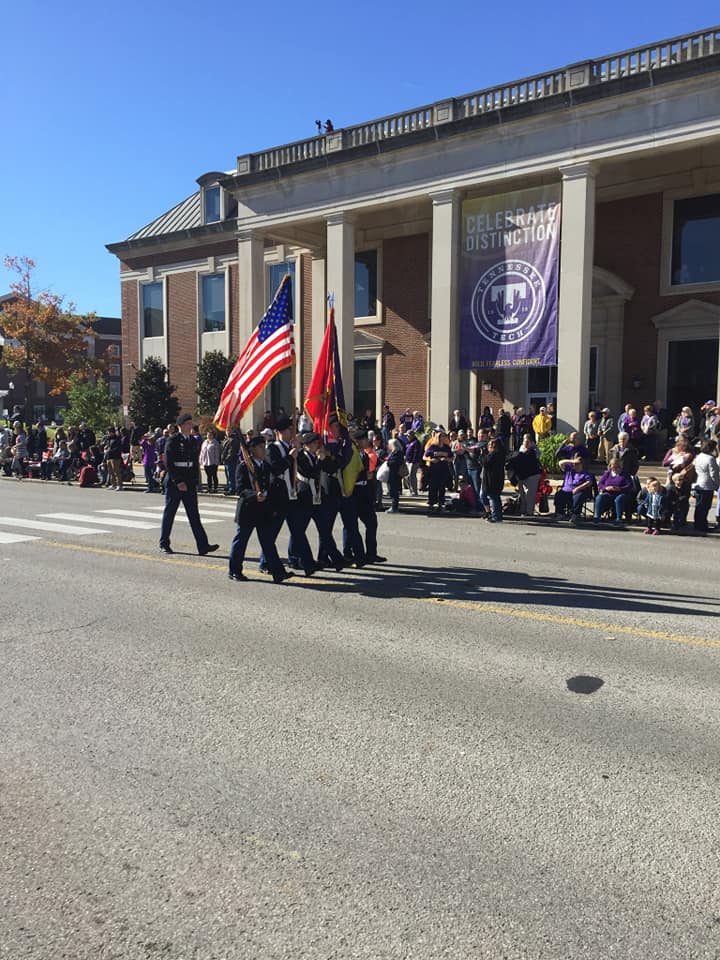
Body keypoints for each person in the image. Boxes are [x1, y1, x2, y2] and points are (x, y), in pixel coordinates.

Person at [228, 436, 291, 583]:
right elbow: (240, 489)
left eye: (264, 446)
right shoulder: (244, 467)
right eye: (260, 447)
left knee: (268, 542)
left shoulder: (265, 466)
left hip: (263, 511)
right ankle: (234, 570)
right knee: (241, 542)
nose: (264, 450)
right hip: (248, 511)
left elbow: (272, 483)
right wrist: (254, 495)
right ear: (252, 449)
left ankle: (278, 572)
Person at [159, 413, 219, 557]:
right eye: (187, 424)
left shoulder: (192, 441)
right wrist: (178, 481)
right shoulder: (173, 440)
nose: (190, 426)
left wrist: (194, 481)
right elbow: (169, 463)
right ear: (180, 426)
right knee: (170, 513)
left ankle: (203, 545)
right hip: (175, 482)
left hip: (189, 482)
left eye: (191, 423)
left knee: (194, 515)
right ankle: (164, 543)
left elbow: (194, 463)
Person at [266, 416, 316, 578]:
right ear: (281, 432)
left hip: (293, 495)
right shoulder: (273, 448)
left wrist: (298, 450)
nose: (291, 433)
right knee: (272, 533)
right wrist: (289, 457)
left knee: (298, 531)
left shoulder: (293, 447)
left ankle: (308, 564)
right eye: (289, 430)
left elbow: (304, 467)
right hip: (279, 495)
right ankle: (264, 562)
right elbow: (274, 469)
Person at [506, 434, 541, 518]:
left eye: (528, 442)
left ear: (531, 442)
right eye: (524, 441)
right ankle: (522, 511)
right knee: (522, 495)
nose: (526, 443)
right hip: (522, 476)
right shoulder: (520, 449)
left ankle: (529, 512)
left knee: (530, 495)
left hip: (532, 475)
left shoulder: (534, 451)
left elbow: (527, 459)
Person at [554, 454, 595, 525]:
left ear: (581, 464)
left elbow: (589, 482)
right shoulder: (569, 470)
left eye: (577, 464)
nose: (575, 465)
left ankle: (575, 514)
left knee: (578, 496)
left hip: (578, 490)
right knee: (559, 494)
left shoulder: (585, 473)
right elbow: (560, 463)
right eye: (574, 464)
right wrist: (572, 461)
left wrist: (578, 488)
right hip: (566, 490)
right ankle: (560, 513)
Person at [593, 458, 633, 526]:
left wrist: (619, 488)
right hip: (609, 493)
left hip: (621, 493)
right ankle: (597, 517)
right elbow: (600, 484)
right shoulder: (607, 474)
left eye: (617, 467)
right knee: (599, 497)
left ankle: (618, 518)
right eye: (613, 467)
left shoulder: (625, 474)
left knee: (618, 499)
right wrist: (606, 488)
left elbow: (629, 485)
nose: (614, 469)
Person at [692, 439, 720, 533]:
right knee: (705, 507)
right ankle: (702, 525)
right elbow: (714, 474)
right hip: (707, 485)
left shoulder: (698, 456)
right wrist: (716, 484)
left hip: (699, 482)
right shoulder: (710, 459)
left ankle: (697, 524)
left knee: (699, 506)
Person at [423, 428, 452, 514]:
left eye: (443, 437)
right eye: (440, 437)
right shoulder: (433, 447)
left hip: (443, 469)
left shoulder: (447, 447)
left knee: (442, 487)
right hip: (433, 470)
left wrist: (446, 459)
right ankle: (431, 504)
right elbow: (424, 457)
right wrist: (431, 460)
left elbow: (451, 458)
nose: (441, 438)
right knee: (432, 487)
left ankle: (440, 504)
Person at [478, 437, 505, 522]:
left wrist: (482, 454)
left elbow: (485, 462)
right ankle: (492, 513)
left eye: (491, 445)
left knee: (494, 497)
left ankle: (496, 516)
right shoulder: (498, 454)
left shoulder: (494, 455)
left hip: (492, 480)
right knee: (488, 496)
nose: (489, 447)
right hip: (493, 479)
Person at [384, 437, 405, 514]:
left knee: (394, 491)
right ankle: (393, 506)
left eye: (390, 445)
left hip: (395, 474)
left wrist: (388, 461)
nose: (389, 446)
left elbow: (394, 463)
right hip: (392, 474)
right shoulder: (393, 452)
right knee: (392, 490)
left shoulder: (398, 453)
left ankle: (394, 507)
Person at [221, 428, 241, 496]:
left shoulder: (233, 440)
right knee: (228, 475)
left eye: (229, 430)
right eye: (227, 431)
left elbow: (232, 452)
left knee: (231, 475)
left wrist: (227, 458)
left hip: (231, 461)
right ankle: (230, 487)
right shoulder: (227, 439)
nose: (227, 432)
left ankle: (232, 489)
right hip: (226, 461)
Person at [103, 426, 123, 491]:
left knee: (116, 471)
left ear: (112, 432)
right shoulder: (108, 439)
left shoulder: (117, 439)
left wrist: (109, 450)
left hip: (115, 457)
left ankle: (119, 485)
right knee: (110, 471)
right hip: (109, 456)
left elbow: (118, 448)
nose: (108, 433)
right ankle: (113, 484)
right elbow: (106, 446)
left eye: (109, 432)